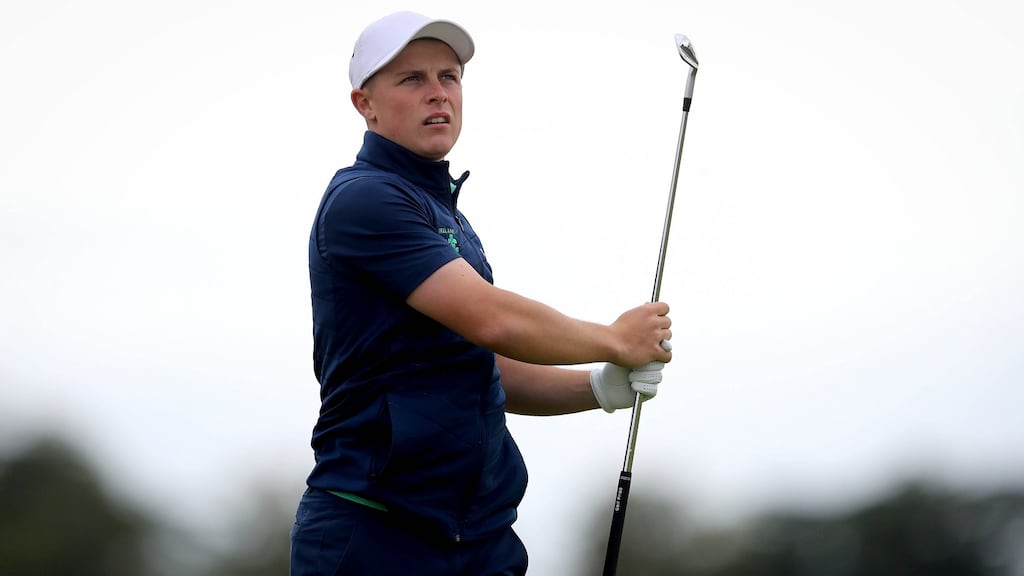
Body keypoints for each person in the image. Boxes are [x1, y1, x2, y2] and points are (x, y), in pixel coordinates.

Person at [290, 11, 673, 576]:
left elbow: (480, 365)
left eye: (449, 77)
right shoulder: (363, 201)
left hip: (478, 536)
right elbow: (493, 321)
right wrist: (614, 339)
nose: (437, 94)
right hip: (375, 532)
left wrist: (596, 386)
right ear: (364, 104)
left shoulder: (442, 213)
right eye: (411, 79)